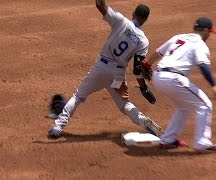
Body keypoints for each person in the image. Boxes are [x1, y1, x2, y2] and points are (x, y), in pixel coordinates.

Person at [48, 0, 163, 138]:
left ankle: (58, 126)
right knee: (124, 104)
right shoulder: (143, 41)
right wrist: (144, 88)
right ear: (145, 20)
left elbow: (100, 5)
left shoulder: (121, 20)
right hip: (117, 75)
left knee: (78, 96)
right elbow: (137, 69)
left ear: (133, 13)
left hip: (101, 67)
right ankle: (142, 120)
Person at [141, 17, 216, 153]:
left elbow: (158, 53)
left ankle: (168, 140)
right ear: (206, 30)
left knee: (184, 107)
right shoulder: (200, 44)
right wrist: (214, 85)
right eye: (210, 32)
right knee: (205, 104)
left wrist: (147, 64)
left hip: (158, 77)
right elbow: (203, 66)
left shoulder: (179, 37)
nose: (210, 35)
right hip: (174, 78)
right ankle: (202, 142)